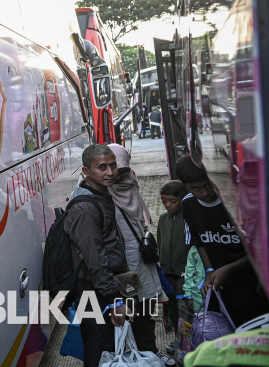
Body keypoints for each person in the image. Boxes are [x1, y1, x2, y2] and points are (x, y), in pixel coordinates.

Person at [65, 143, 129, 367]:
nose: (110, 172)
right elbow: (95, 259)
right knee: (98, 347)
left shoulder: (100, 194)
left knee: (105, 345)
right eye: (102, 167)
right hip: (93, 290)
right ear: (86, 171)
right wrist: (114, 300)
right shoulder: (86, 208)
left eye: (113, 165)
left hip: (101, 287)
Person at [175, 155, 269, 326]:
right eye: (196, 188)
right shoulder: (188, 205)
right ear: (185, 186)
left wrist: (228, 269)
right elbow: (199, 241)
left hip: (254, 282)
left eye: (208, 185)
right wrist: (209, 269)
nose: (205, 193)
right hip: (221, 285)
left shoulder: (239, 200)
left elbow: (260, 248)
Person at [108, 144, 163, 353]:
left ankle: (149, 354)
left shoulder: (131, 182)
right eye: (114, 170)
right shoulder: (102, 193)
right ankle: (131, 358)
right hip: (122, 267)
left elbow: (143, 219)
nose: (117, 176)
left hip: (142, 261)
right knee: (128, 315)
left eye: (122, 170)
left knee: (145, 313)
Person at [158, 181, 192, 336]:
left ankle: (187, 341)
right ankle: (178, 340)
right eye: (164, 201)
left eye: (173, 201)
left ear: (182, 199)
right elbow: (160, 243)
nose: (168, 205)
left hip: (184, 274)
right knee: (171, 307)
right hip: (167, 273)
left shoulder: (189, 219)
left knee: (185, 309)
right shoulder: (163, 219)